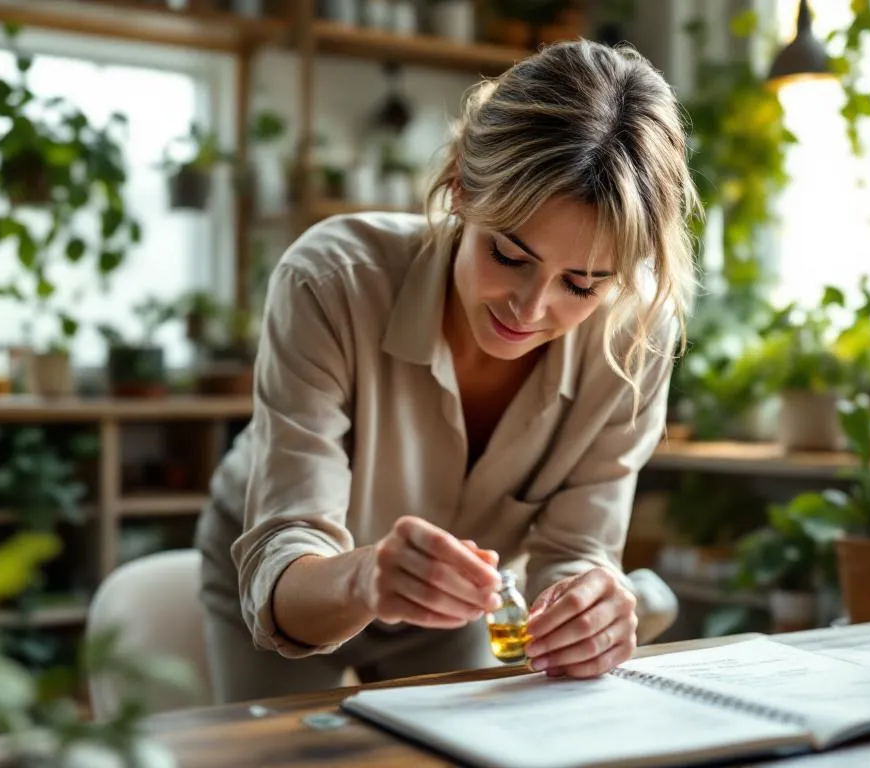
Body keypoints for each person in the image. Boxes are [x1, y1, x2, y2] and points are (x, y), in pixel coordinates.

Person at [195, 38, 699, 705]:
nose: (531, 307)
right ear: (461, 184)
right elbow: (283, 562)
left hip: (454, 606)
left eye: (581, 284)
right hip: (289, 581)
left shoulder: (635, 339)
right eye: (510, 255)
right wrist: (366, 580)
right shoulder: (331, 280)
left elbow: (576, 551)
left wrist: (588, 606)